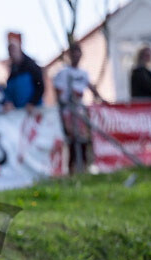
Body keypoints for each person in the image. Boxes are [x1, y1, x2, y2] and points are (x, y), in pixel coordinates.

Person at [54, 44, 104, 173]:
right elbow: (58, 94)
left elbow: (91, 88)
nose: (76, 55)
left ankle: (84, 168)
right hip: (68, 112)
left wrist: (103, 101)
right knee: (72, 140)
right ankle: (71, 170)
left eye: (78, 52)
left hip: (80, 112)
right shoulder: (63, 73)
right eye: (73, 52)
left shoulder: (83, 73)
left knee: (83, 140)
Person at [4, 33, 45, 111]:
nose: (12, 53)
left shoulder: (31, 66)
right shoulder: (12, 71)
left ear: (19, 48)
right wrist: (9, 102)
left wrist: (33, 102)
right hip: (19, 112)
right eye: (9, 51)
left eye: (13, 49)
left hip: (34, 110)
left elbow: (40, 86)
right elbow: (8, 92)